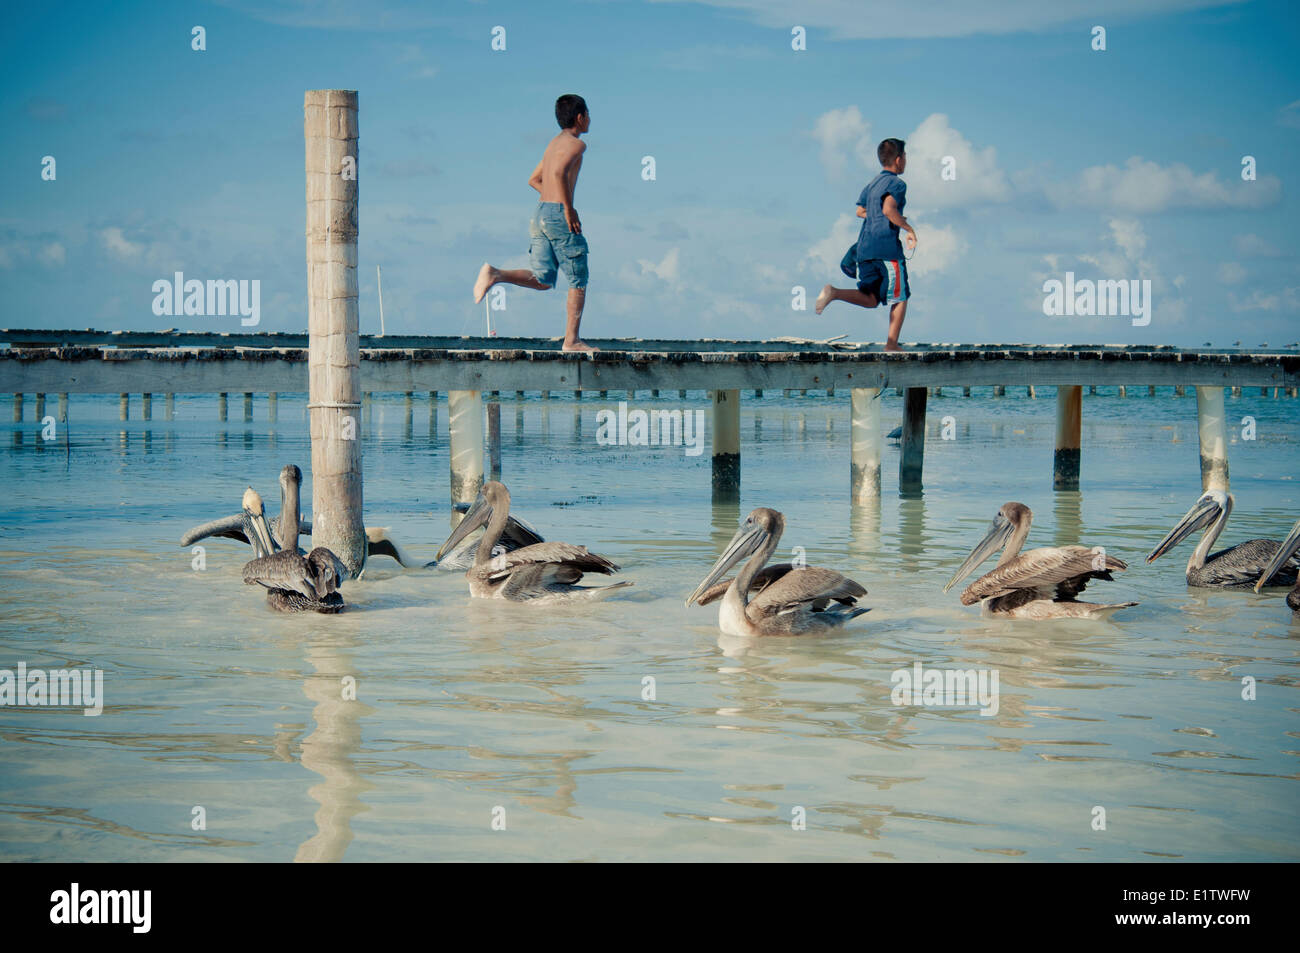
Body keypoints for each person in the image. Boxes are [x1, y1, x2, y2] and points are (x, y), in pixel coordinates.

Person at [473, 94, 596, 352]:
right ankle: (571, 340)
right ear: (580, 117)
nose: (590, 120)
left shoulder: (553, 144)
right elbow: (558, 173)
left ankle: (495, 273)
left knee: (543, 279)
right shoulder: (576, 145)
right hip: (557, 212)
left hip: (540, 213)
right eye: (588, 114)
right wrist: (567, 209)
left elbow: (534, 179)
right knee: (578, 277)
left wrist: (551, 204)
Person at [815, 137, 917, 351]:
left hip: (864, 250)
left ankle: (834, 292)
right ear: (898, 159)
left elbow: (860, 211)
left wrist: (887, 216)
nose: (906, 161)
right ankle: (891, 344)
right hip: (885, 250)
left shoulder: (872, 184)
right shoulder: (897, 184)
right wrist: (907, 228)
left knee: (871, 299)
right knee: (901, 296)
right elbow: (889, 209)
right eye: (905, 157)